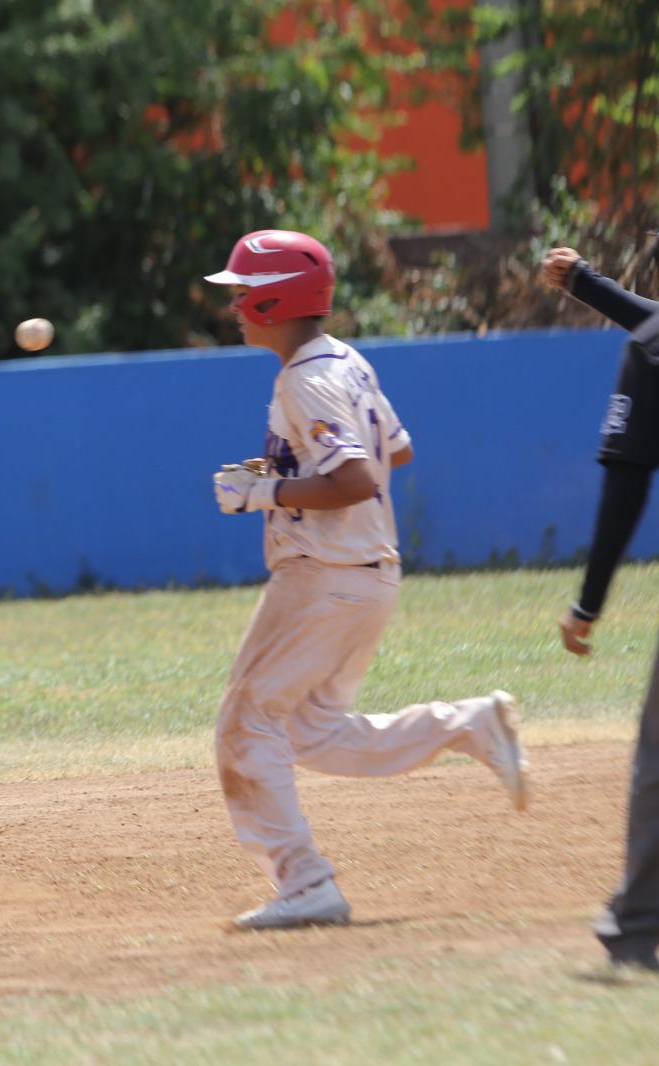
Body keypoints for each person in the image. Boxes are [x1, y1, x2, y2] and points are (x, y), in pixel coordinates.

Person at [204, 229, 530, 930]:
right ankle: (469, 724)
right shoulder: (343, 361)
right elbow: (398, 450)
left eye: (241, 293)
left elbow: (356, 476)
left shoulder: (304, 377)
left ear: (273, 298)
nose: (234, 307)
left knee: (244, 724)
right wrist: (287, 473)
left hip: (323, 576)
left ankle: (305, 882)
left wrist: (265, 494)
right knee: (312, 733)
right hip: (367, 575)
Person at [541, 245, 659, 972]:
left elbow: (625, 488)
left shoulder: (648, 352)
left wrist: (587, 605)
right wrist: (589, 288)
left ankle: (641, 924)